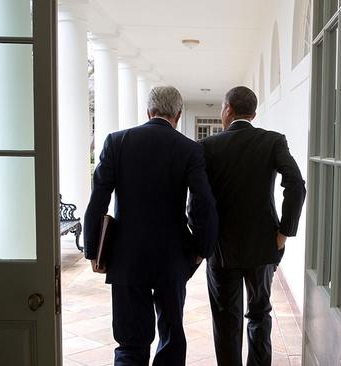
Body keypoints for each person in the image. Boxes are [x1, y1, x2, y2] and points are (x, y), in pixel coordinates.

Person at [83, 86, 218, 366]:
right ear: (178, 115)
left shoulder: (116, 142)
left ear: (149, 111)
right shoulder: (189, 149)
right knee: (171, 335)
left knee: (130, 343)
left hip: (126, 257)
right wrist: (201, 249)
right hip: (172, 257)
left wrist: (93, 249)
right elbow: (203, 203)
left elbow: (98, 198)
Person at [200, 86, 306, 365]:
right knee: (260, 314)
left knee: (226, 319)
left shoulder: (208, 147)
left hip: (221, 249)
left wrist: (202, 238)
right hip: (263, 245)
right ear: (254, 114)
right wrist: (285, 232)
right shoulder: (272, 141)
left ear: (228, 110)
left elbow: (199, 200)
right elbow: (296, 184)